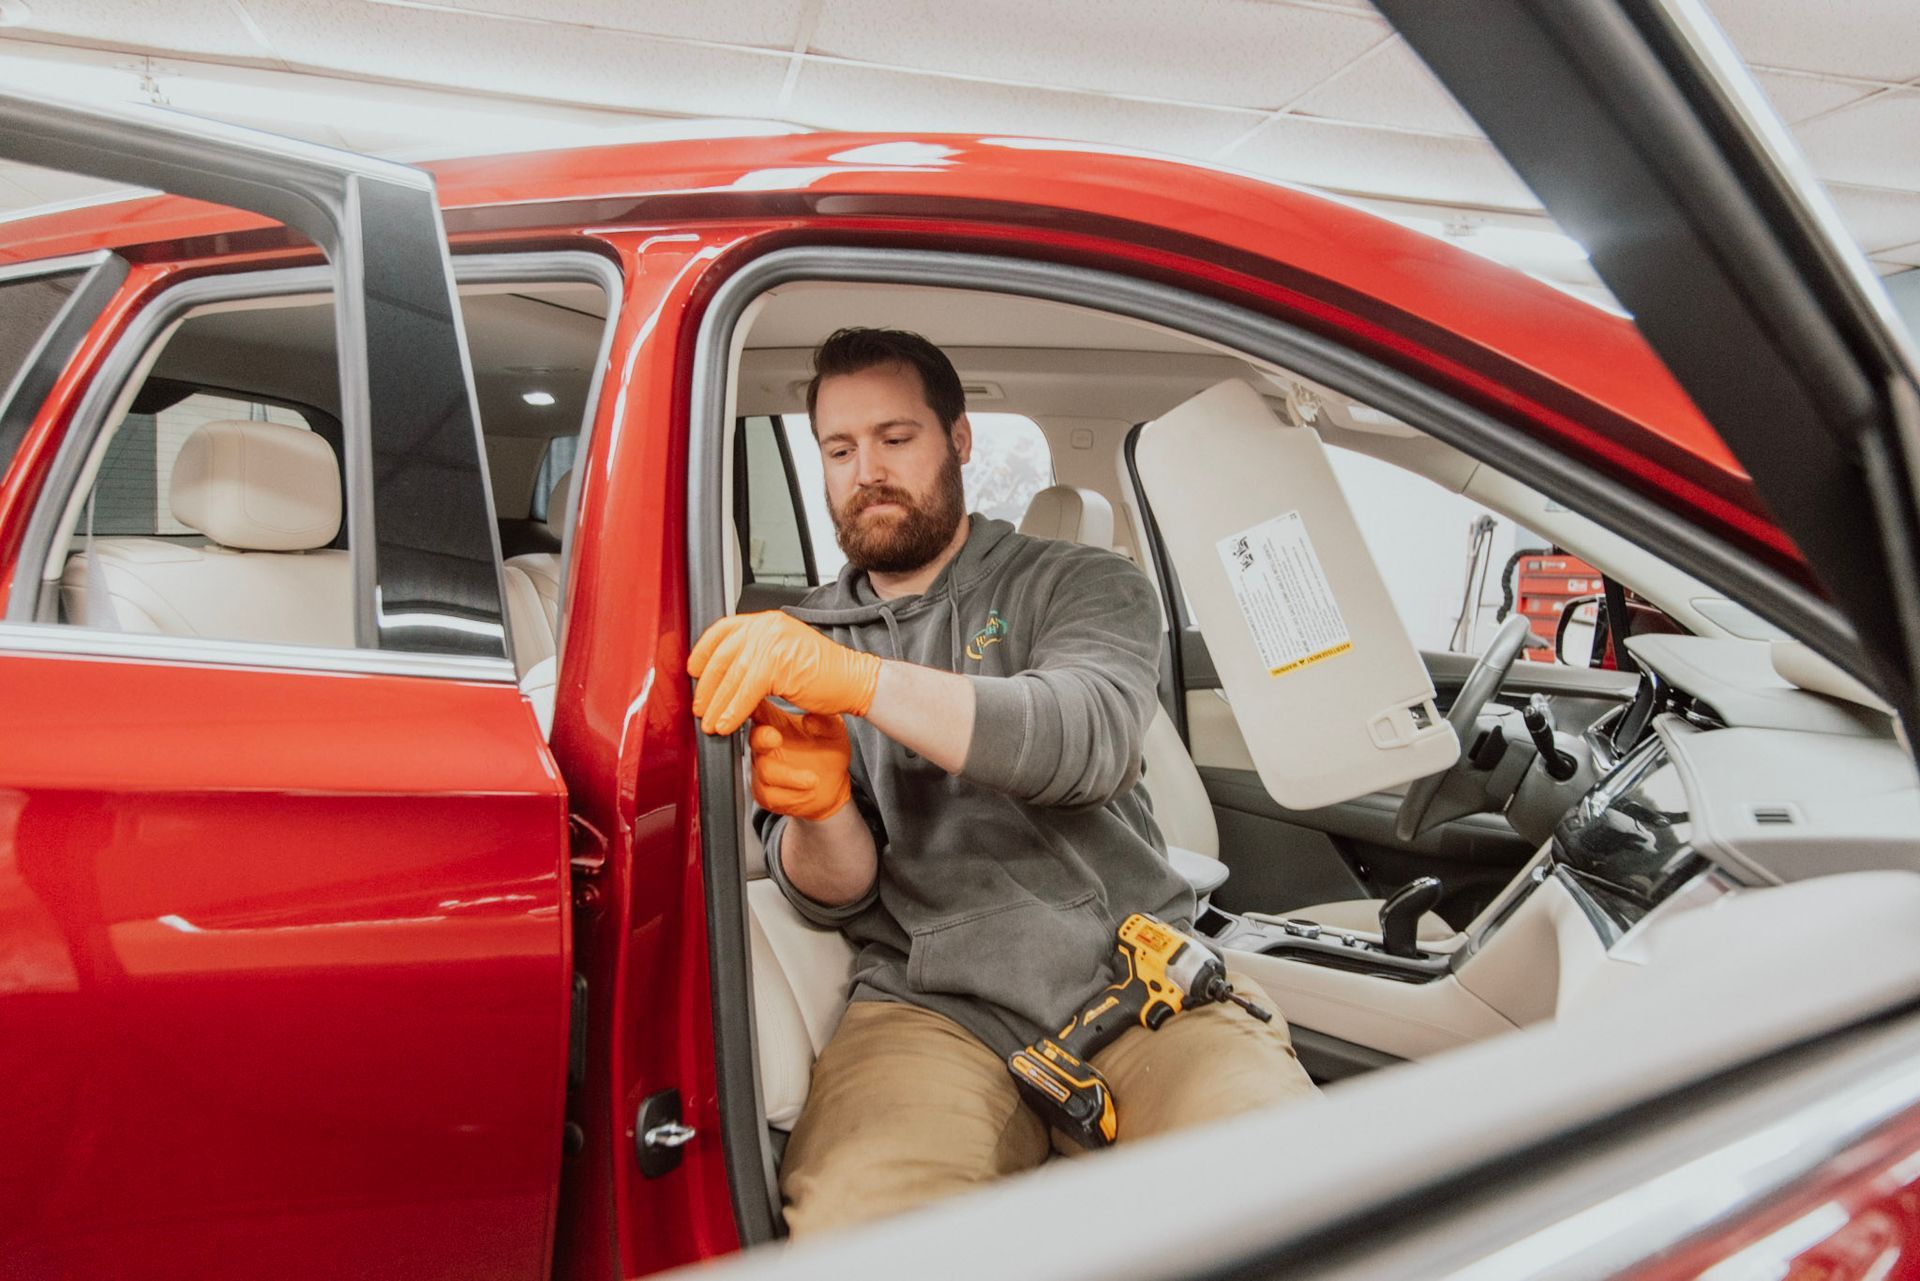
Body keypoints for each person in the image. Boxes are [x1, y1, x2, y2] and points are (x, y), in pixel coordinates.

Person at [688, 327, 1317, 1236]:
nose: (867, 469)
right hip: (933, 1007)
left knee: (1298, 1197)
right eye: (839, 447)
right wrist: (820, 809)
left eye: (896, 438)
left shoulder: (1079, 582)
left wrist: (865, 684)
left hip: (1140, 983)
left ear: (959, 440)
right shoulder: (799, 636)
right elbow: (833, 891)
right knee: (866, 1230)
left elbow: (1086, 738)